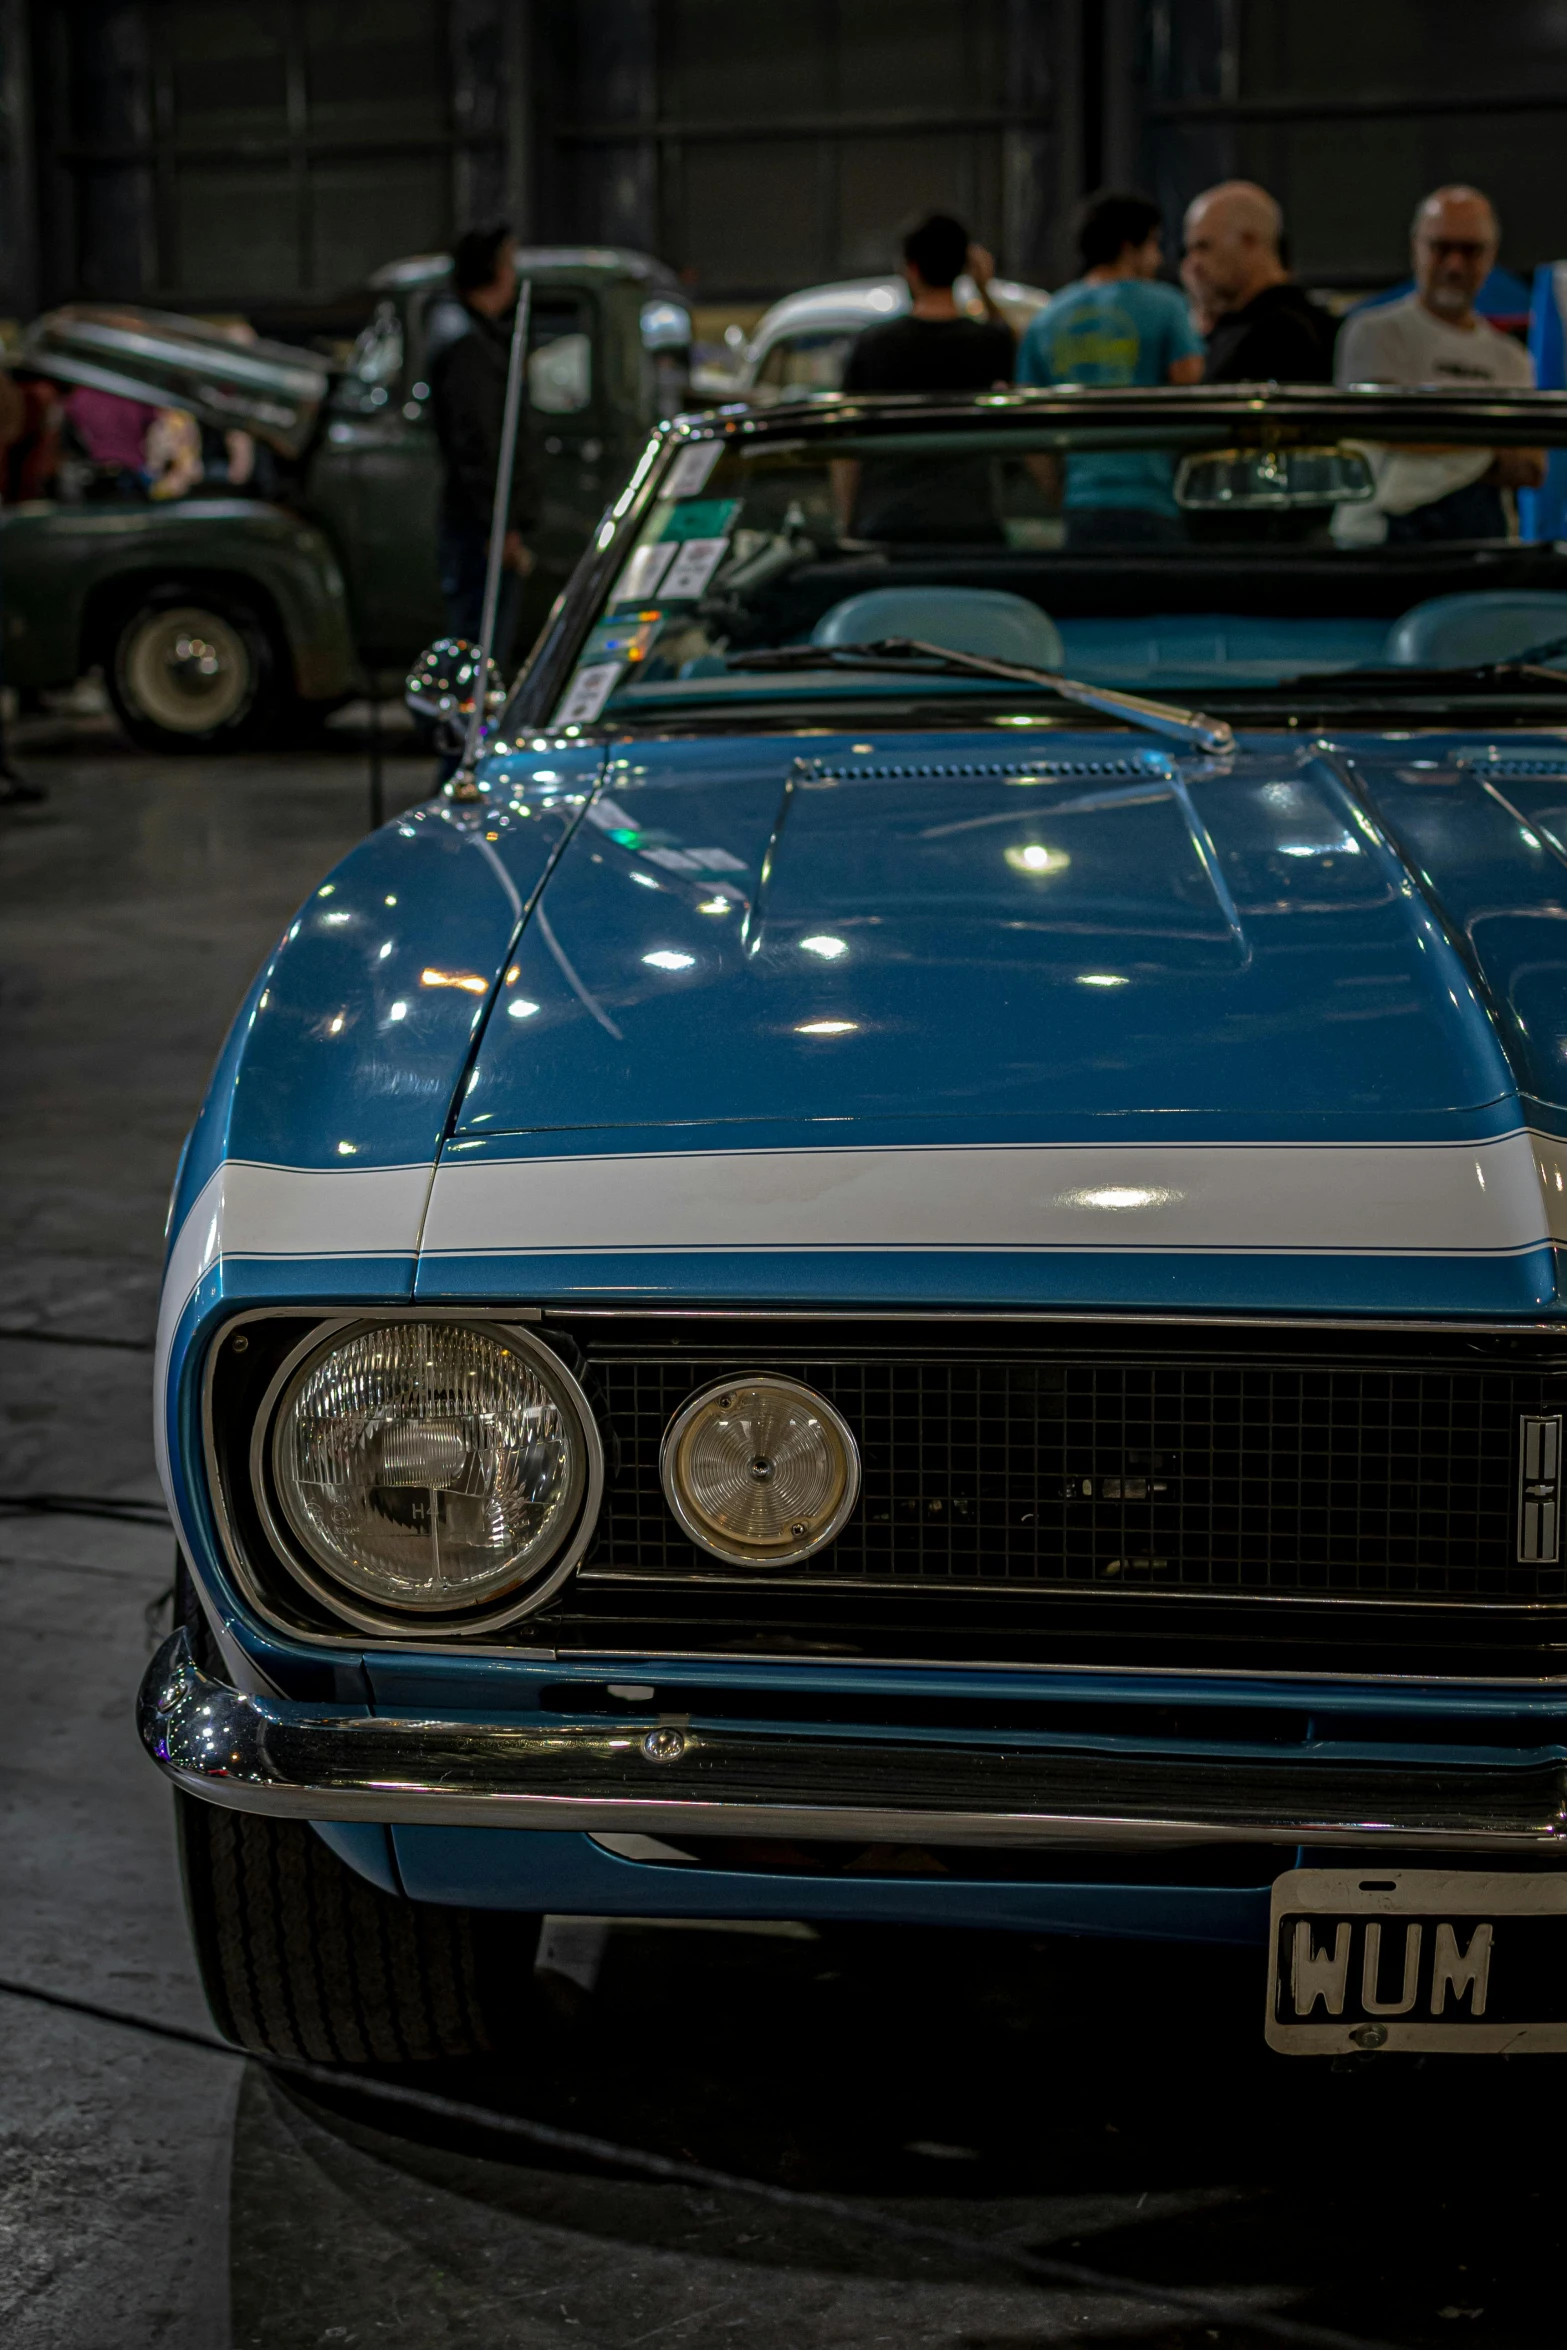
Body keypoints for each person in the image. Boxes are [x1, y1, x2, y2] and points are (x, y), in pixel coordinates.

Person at [1334, 186, 1540, 542]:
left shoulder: (1511, 357)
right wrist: (1492, 444)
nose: (1454, 265)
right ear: (1417, 246)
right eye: (1442, 247)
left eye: (1470, 250)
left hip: (1483, 546)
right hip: (1380, 541)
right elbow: (1388, 427)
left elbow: (1530, 467)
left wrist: (1435, 438)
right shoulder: (1373, 332)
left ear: (1491, 255)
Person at [1015, 188, 1202, 547]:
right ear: (1129, 247)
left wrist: (1059, 492)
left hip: (1082, 505)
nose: (1159, 258)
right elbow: (1190, 383)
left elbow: (1030, 432)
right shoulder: (1166, 305)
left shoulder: (1047, 319)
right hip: (1152, 499)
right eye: (1154, 244)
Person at [834, 212, 1015, 541]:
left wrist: (847, 522)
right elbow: (1017, 357)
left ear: (911, 268)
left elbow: (845, 444)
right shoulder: (989, 342)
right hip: (970, 522)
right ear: (964, 266)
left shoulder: (874, 344)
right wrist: (984, 291)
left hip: (888, 522)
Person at [428, 222, 538, 660]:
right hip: (479, 529)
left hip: (483, 523)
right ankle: (464, 727)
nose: (514, 276)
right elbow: (478, 445)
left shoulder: (476, 338)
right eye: (508, 263)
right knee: (478, 643)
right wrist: (499, 523)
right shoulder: (467, 347)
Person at [1182, 182, 1336, 382]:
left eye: (1204, 247)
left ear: (1249, 242)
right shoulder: (1233, 327)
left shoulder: (1285, 335)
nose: (1192, 264)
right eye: (1189, 251)